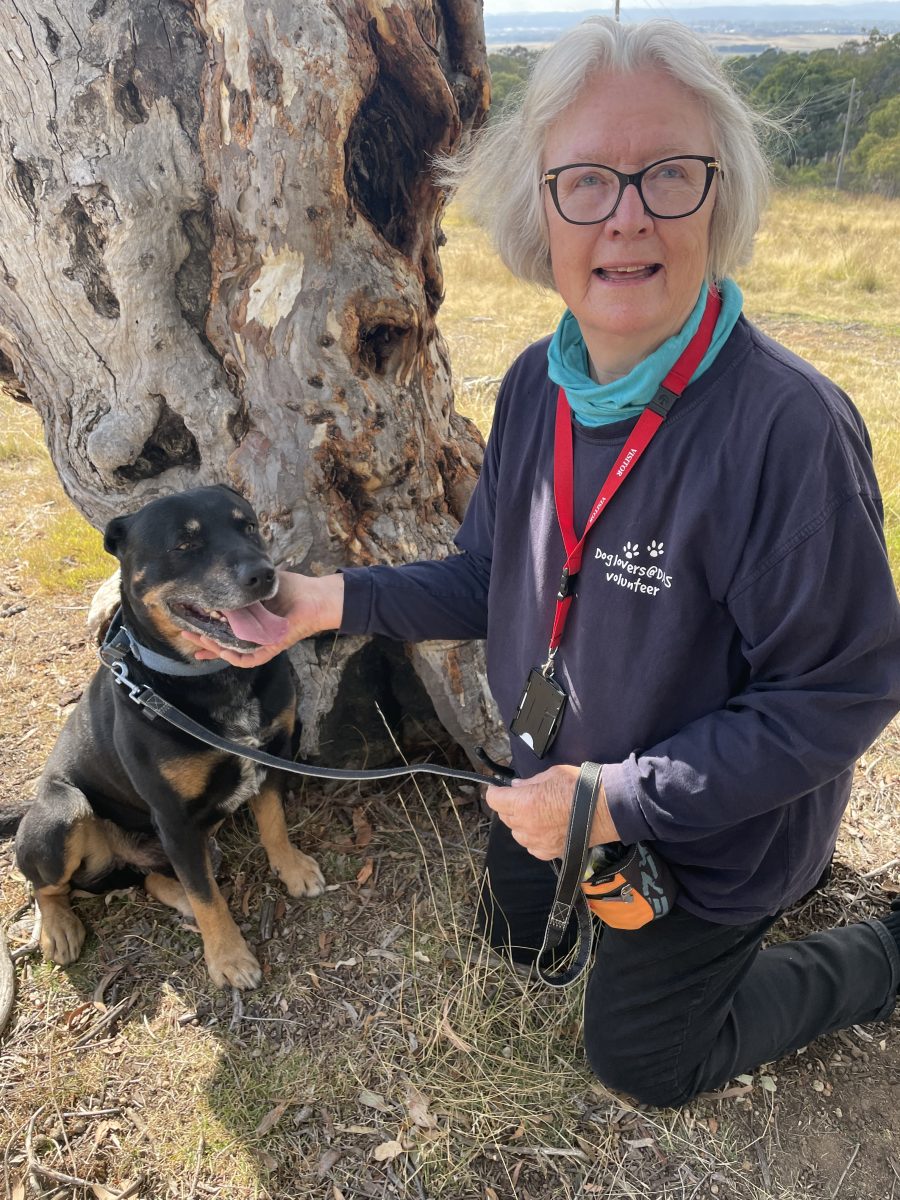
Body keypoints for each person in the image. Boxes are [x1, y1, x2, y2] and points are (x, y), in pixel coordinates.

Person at [186, 17, 900, 1108]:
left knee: (646, 1064)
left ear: (724, 196)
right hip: (548, 782)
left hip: (709, 837)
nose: (627, 216)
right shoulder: (535, 386)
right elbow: (491, 578)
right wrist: (325, 601)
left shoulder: (789, 432)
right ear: (540, 209)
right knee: (514, 952)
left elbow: (841, 692)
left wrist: (620, 800)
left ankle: (879, 955)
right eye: (586, 182)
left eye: (670, 174)